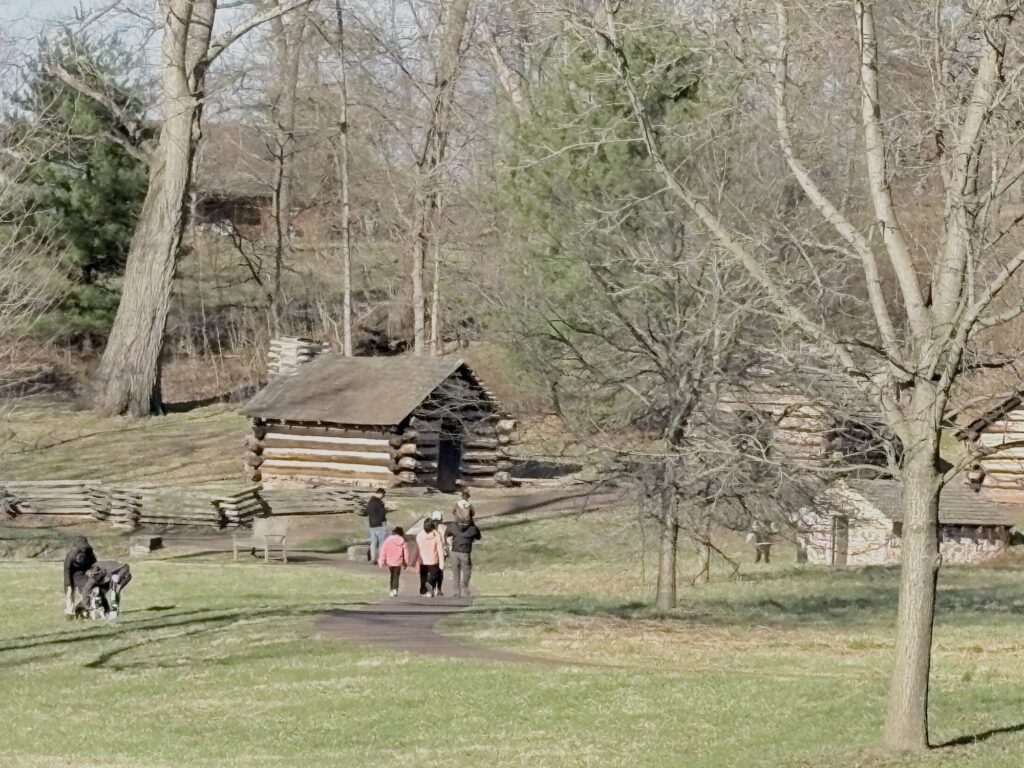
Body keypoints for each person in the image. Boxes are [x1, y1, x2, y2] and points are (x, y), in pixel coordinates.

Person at [445, 516, 481, 599]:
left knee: (455, 572)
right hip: (465, 552)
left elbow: (447, 533)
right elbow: (478, 537)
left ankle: (457, 592)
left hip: (454, 551)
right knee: (467, 571)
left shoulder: (453, 526)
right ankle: (464, 583)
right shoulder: (472, 529)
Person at [63, 536, 97, 618]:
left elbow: (95, 566)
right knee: (70, 591)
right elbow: (67, 570)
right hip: (71, 571)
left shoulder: (90, 554)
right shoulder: (71, 555)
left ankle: (82, 608)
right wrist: (68, 585)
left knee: (87, 589)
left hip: (83, 571)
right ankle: (69, 611)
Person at [415, 519, 446, 597]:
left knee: (423, 576)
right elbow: (440, 551)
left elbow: (417, 549)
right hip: (433, 560)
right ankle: (429, 588)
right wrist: (442, 564)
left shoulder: (419, 535)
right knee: (433, 576)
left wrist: (414, 560)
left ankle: (422, 591)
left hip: (422, 560)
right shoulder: (437, 536)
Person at [377, 527, 410, 597]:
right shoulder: (403, 541)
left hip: (390, 561)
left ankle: (392, 589)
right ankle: (395, 589)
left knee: (392, 575)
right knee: (396, 576)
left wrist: (381, 561)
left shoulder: (388, 540)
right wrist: (406, 563)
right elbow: (406, 553)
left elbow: (383, 550)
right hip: (398, 561)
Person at [361, 488, 389, 564]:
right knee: (382, 543)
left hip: (372, 525)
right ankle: (381, 558)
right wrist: (384, 522)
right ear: (381, 494)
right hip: (379, 525)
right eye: (383, 495)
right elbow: (382, 513)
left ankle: (373, 558)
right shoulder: (379, 503)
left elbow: (366, 512)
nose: (383, 497)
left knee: (373, 543)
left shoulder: (370, 502)